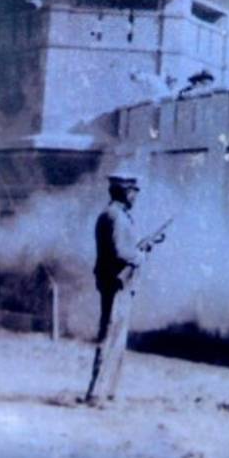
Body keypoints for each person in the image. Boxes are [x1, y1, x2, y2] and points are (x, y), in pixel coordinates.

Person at [82, 171, 163, 406]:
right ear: (125, 192)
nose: (135, 197)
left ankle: (107, 390)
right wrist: (140, 255)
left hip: (118, 283)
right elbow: (120, 252)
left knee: (116, 339)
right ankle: (96, 393)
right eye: (133, 192)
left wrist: (144, 245)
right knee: (110, 337)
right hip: (117, 284)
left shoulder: (112, 215)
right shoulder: (116, 217)